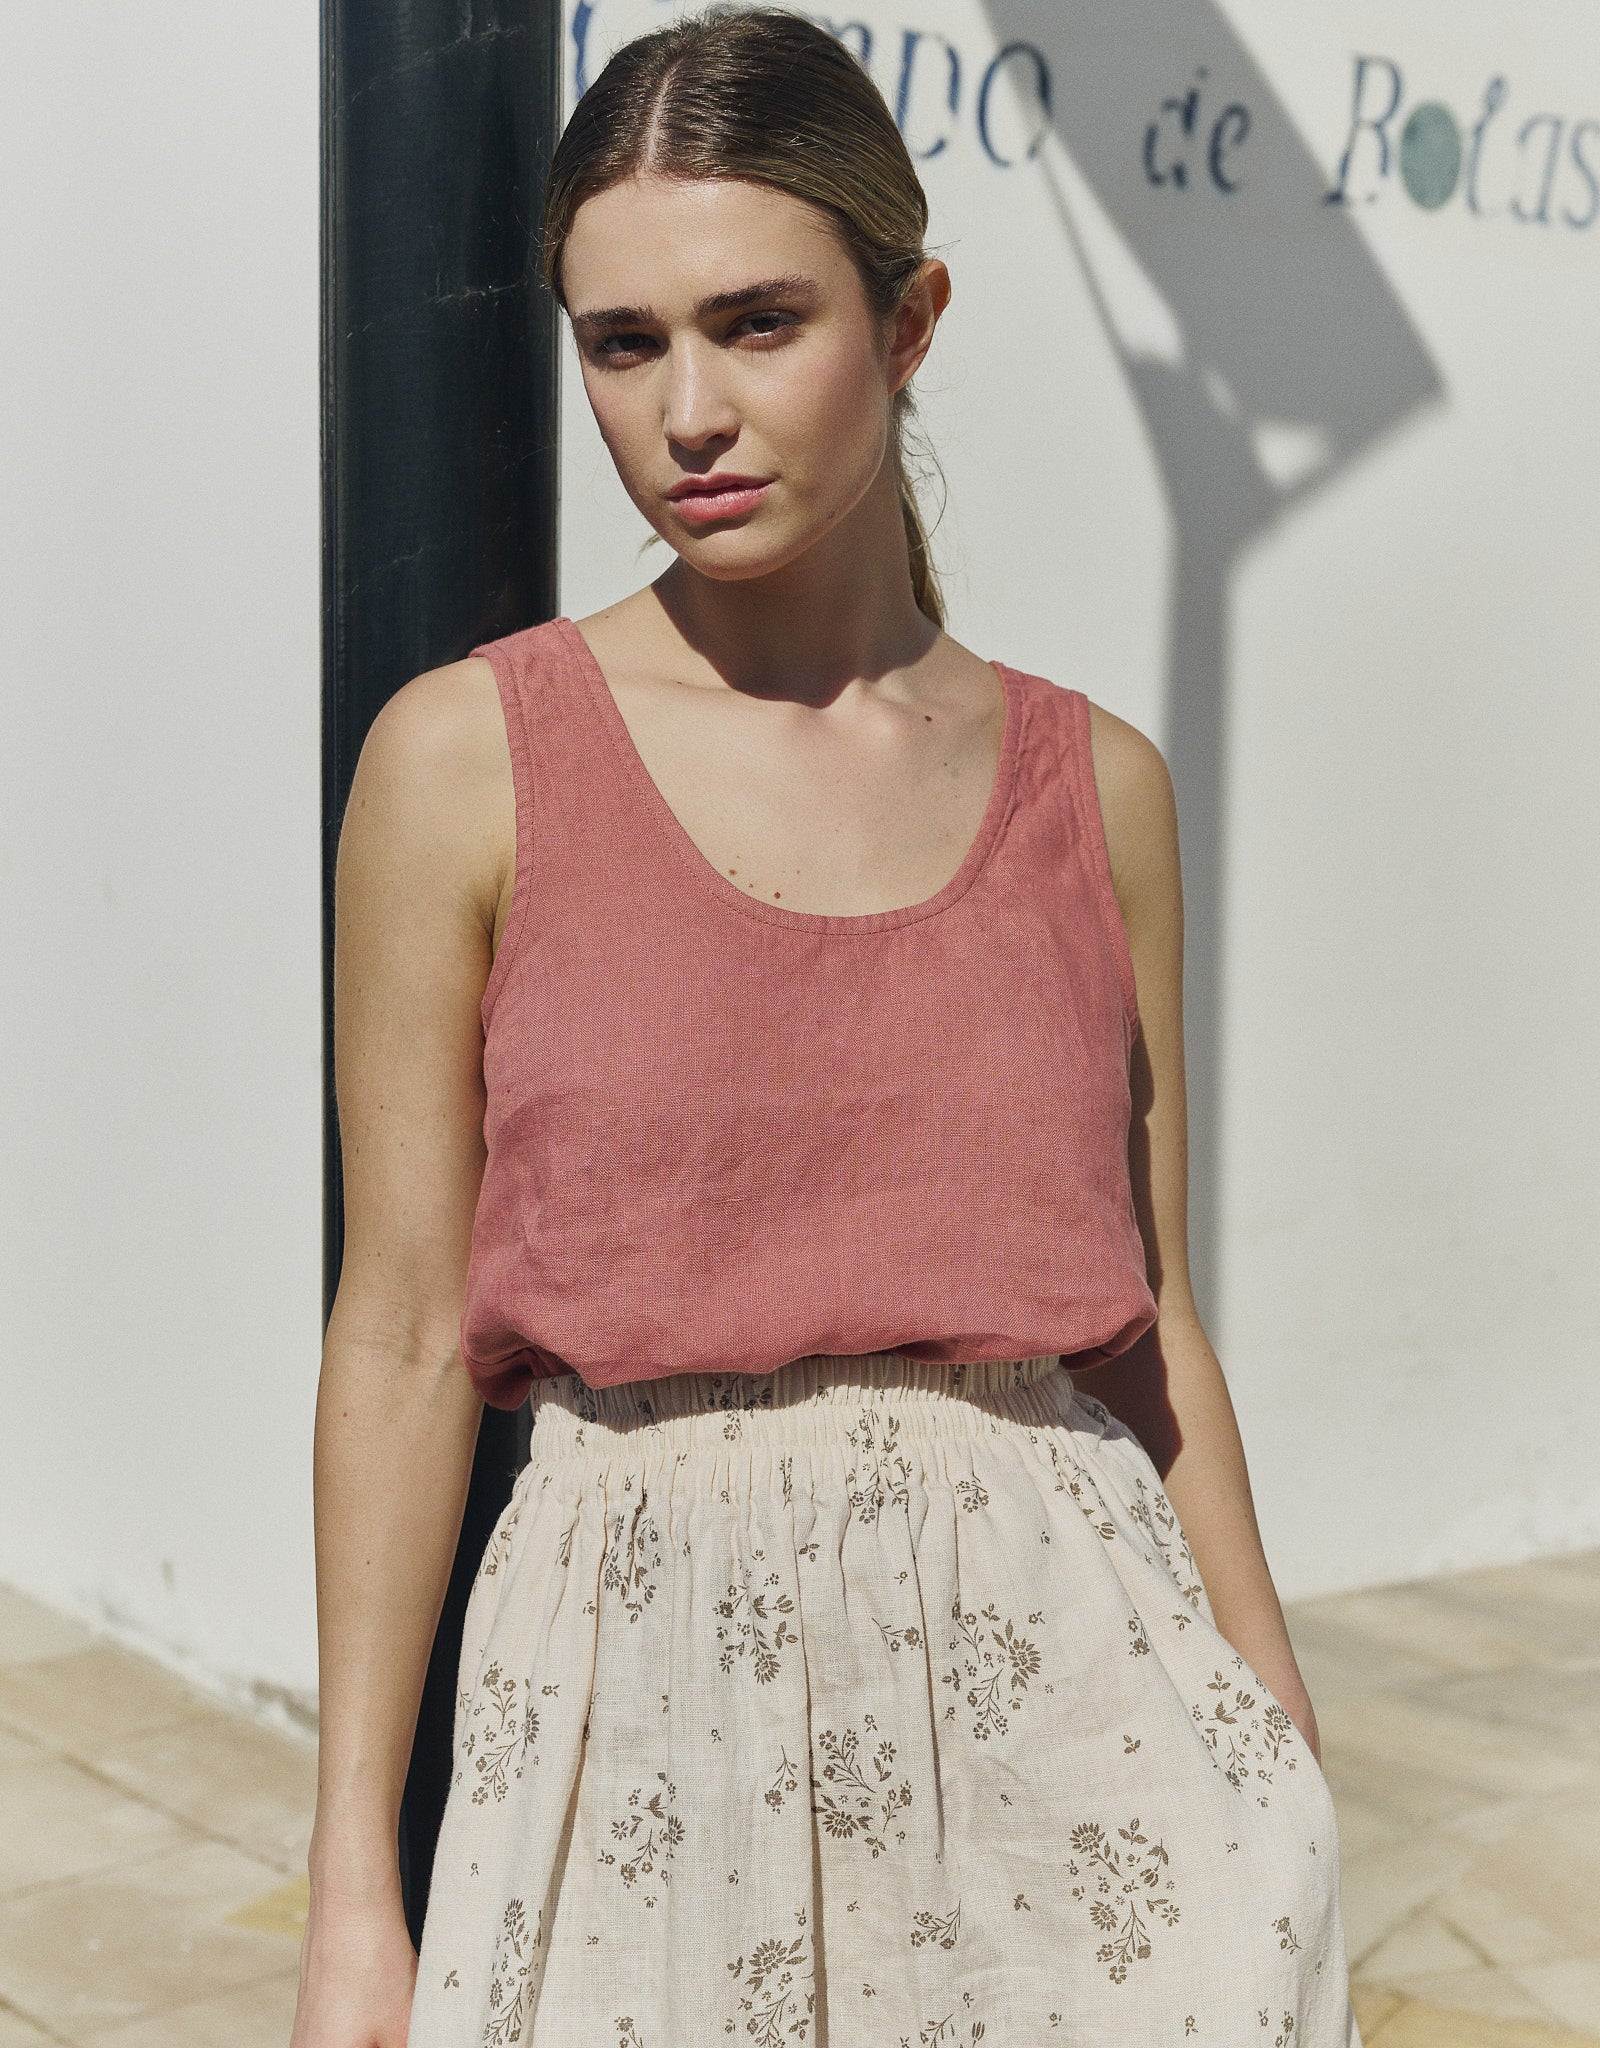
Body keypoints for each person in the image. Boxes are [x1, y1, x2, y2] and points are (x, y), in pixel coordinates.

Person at [293, 7, 1364, 2044]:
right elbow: (404, 1334)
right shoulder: (466, 761)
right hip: (633, 1743)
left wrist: (1276, 1734)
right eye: (623, 344)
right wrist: (357, 1885)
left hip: (1088, 1755)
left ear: (910, 319)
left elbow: (1151, 1326)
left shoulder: (1096, 789)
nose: (686, 410)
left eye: (757, 322)